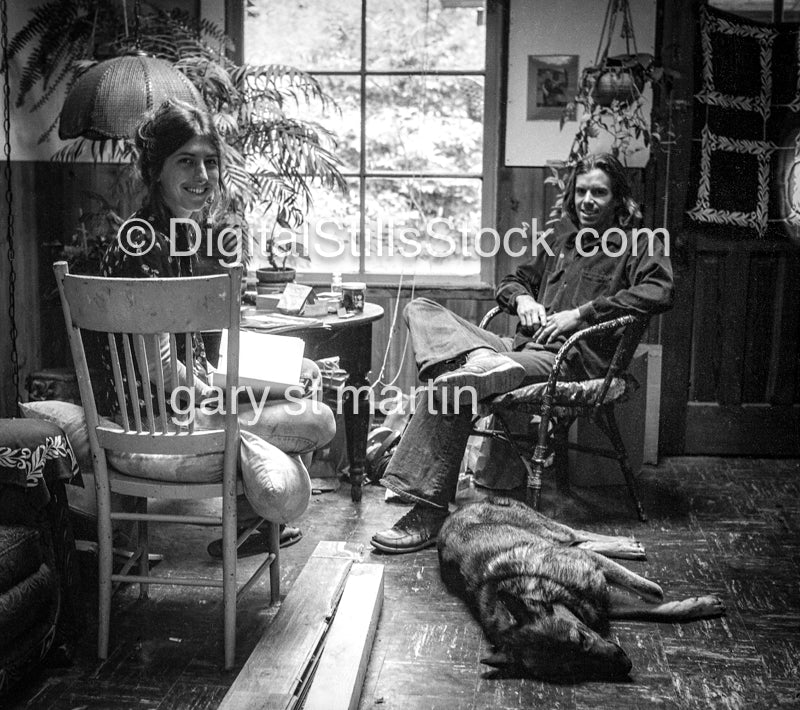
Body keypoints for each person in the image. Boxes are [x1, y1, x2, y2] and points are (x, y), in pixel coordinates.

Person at [371, 152, 674, 554]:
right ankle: (479, 365)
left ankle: (427, 511)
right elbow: (512, 280)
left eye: (598, 193)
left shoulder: (639, 244)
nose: (586, 200)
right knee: (420, 309)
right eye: (581, 191)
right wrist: (524, 300)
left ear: (618, 198)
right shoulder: (560, 241)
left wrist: (579, 315)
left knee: (452, 382)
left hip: (565, 362)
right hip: (517, 351)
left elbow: (659, 291)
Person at [99, 98, 335, 556]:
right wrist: (220, 390)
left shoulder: (185, 236)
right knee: (320, 418)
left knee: (304, 372)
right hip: (157, 422)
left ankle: (252, 521)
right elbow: (157, 372)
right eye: (185, 161)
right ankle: (258, 519)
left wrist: (238, 376)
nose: (202, 176)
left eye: (210, 162)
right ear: (156, 169)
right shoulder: (143, 245)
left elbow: (198, 349)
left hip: (178, 403)